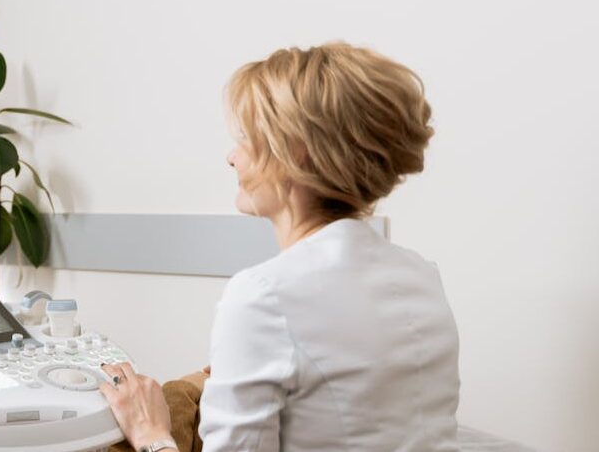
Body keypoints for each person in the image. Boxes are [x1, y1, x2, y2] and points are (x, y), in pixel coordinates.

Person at [100, 42, 460, 452]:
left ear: (295, 151)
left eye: (244, 138)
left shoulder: (264, 296)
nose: (231, 158)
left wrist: (151, 436)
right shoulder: (422, 276)